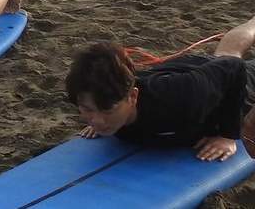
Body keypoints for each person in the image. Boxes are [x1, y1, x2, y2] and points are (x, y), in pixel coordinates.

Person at [66, 14, 255, 162]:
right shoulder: (101, 96)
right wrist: (99, 119)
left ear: (133, 96)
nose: (97, 120)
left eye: (107, 110)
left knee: (230, 57)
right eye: (88, 110)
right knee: (224, 54)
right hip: (183, 71)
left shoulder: (179, 99)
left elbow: (233, 68)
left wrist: (228, 135)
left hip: (223, 85)